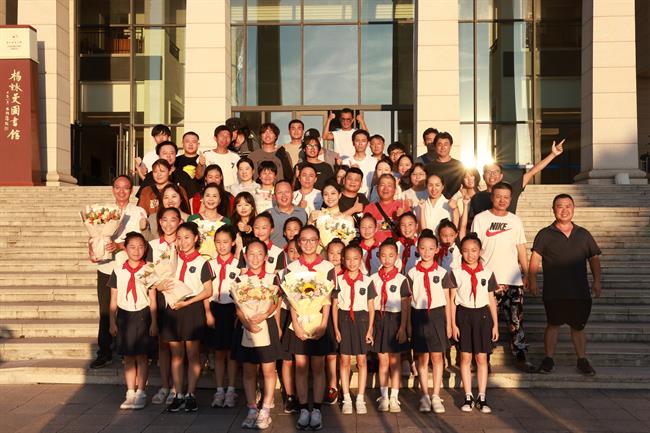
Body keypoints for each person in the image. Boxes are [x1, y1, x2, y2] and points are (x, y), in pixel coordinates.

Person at [528, 194, 602, 376]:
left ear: (574, 208)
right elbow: (535, 258)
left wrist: (597, 281)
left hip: (579, 290)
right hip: (554, 290)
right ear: (553, 210)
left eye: (568, 206)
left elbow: (594, 258)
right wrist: (532, 280)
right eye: (560, 206)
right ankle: (548, 359)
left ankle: (582, 360)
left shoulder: (583, 234)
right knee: (553, 324)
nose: (564, 210)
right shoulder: (545, 234)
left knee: (578, 327)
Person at [471, 182, 533, 371]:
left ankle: (521, 356)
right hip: (488, 282)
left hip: (513, 281)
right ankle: (483, 359)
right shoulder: (481, 219)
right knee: (486, 322)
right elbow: (474, 249)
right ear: (492, 197)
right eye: (498, 196)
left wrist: (527, 273)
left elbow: (521, 248)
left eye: (506, 197)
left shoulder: (515, 221)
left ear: (511, 199)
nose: (502, 200)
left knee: (516, 322)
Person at [90, 175, 147, 369]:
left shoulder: (138, 211)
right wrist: (94, 249)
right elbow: (94, 235)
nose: (121, 191)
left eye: (126, 188)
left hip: (129, 268)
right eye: (117, 187)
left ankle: (127, 349)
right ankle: (104, 351)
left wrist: (119, 245)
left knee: (129, 308)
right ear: (113, 189)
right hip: (106, 267)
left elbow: (141, 238)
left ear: (131, 190)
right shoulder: (103, 212)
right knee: (106, 311)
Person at [284, 225, 337, 430]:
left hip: (319, 321)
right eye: (304, 240)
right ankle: (303, 408)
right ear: (298, 243)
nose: (308, 244)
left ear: (318, 242)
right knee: (300, 366)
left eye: (312, 239)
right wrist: (296, 325)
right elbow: (291, 300)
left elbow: (328, 299)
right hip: (298, 323)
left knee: (317, 366)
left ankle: (317, 410)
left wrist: (324, 325)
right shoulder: (292, 268)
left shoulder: (327, 267)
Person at [159, 222, 214, 412]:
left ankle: (191, 393)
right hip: (172, 308)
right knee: (176, 355)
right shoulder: (170, 259)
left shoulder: (202, 262)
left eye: (187, 237)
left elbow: (208, 291)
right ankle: (178, 394)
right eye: (179, 238)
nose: (182, 242)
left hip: (191, 309)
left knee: (192, 354)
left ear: (196, 238)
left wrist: (187, 302)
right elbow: (158, 280)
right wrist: (161, 286)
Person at [448, 233, 499, 414]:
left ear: (480, 251)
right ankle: (468, 396)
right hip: (464, 315)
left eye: (474, 250)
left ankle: (482, 396)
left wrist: (495, 324)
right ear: (461, 252)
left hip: (483, 316)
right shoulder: (456, 273)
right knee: (465, 357)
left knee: (482, 358)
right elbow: (452, 300)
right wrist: (453, 324)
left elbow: (491, 299)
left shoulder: (487, 273)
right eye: (466, 251)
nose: (470, 254)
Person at [233, 239, 281, 430]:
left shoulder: (272, 278)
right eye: (251, 254)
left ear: (266, 257)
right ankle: (252, 408)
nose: (255, 258)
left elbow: (276, 301)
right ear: (245, 256)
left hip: (266, 324)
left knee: (269, 370)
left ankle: (266, 409)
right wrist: (247, 323)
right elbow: (238, 307)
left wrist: (264, 314)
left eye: (259, 254)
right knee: (249, 370)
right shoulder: (240, 280)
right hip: (247, 327)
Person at [109, 232, 157, 410]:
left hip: (143, 314)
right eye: (132, 247)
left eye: (140, 247)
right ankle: (130, 392)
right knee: (128, 356)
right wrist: (112, 321)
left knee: (142, 356)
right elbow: (113, 298)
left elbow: (152, 298)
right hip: (124, 315)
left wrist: (154, 322)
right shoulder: (118, 270)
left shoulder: (149, 269)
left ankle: (141, 392)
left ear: (145, 249)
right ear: (125, 249)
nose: (137, 251)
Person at [468, 139, 565, 226]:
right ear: (483, 176)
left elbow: (532, 171)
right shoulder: (477, 198)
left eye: (495, 172)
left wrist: (553, 154)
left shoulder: (512, 189)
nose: (492, 175)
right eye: (488, 172)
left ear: (501, 176)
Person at [407, 229, 451, 414]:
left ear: (437, 249)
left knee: (437, 356)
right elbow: (409, 300)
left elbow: (448, 299)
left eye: (431, 248)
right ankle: (424, 395)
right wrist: (408, 325)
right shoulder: (412, 272)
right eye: (423, 248)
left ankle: (436, 395)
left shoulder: (442, 272)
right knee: (422, 357)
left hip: (437, 315)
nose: (427, 252)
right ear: (418, 249)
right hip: (418, 315)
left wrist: (449, 324)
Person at [333, 243, 376, 415]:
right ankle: (346, 397)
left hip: (361, 321)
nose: (352, 262)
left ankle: (360, 398)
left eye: (356, 259)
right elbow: (335, 306)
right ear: (343, 260)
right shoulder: (338, 280)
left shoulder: (368, 281)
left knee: (361, 361)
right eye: (348, 259)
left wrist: (370, 329)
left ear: (361, 259)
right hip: (343, 320)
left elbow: (371, 307)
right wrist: (336, 329)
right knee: (344, 361)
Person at [371, 239, 410, 413]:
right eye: (383, 255)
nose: (387, 259)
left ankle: (394, 396)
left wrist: (402, 328)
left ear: (397, 257)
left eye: (391, 255)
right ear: (378, 256)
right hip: (379, 319)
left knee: (395, 361)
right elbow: (371, 304)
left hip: (395, 320)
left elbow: (405, 305)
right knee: (383, 360)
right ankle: (384, 396)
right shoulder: (373, 279)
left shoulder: (402, 279)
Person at [148, 207, 181, 406]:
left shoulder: (183, 242)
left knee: (177, 344)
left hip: (179, 297)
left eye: (173, 220)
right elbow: (147, 272)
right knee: (163, 343)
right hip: (160, 297)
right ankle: (165, 385)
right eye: (165, 220)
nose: (169, 224)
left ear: (179, 222)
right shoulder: (152, 246)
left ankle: (177, 386)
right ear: (159, 222)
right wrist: (156, 285)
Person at [205, 225, 240, 408]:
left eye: (225, 242)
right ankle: (219, 390)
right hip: (215, 308)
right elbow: (206, 290)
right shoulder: (210, 264)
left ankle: (231, 390)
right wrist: (207, 312)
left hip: (233, 310)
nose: (222, 245)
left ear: (233, 243)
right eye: (218, 242)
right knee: (218, 352)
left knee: (231, 353)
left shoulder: (239, 265)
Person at [324, 239, 344, 404]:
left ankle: (344, 386)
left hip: (345, 317)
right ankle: (332, 386)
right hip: (328, 316)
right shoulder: (324, 273)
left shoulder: (349, 272)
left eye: (339, 253)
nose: (335, 256)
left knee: (344, 355)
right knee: (331, 354)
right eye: (331, 253)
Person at [363, 174, 410, 243]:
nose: (385, 189)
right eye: (382, 185)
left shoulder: (403, 206)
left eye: (389, 185)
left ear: (395, 189)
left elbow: (410, 230)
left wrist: (402, 217)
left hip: (398, 247)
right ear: (377, 188)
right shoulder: (369, 208)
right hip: (375, 247)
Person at [423, 132, 469, 199]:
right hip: (435, 202)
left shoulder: (459, 166)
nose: (442, 147)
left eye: (446, 144)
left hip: (455, 202)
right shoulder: (428, 167)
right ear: (435, 146)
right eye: (439, 144)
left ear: (450, 146)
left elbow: (465, 186)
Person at [198, 125, 241, 190]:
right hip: (213, 192)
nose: (225, 138)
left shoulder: (236, 157)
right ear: (215, 138)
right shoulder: (206, 155)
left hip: (232, 193)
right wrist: (200, 164)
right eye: (222, 136)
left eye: (228, 136)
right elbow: (198, 176)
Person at [268, 180, 308, 248]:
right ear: (274, 196)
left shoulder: (302, 213)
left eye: (287, 192)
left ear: (292, 194)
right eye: (280, 192)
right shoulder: (268, 214)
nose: (284, 195)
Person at [342, 130, 375, 194]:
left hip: (369, 197)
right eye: (357, 140)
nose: (360, 143)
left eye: (363, 141)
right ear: (353, 143)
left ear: (368, 143)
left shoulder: (374, 161)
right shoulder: (345, 162)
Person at [174, 131, 202, 197]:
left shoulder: (202, 160)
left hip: (198, 197)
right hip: (179, 196)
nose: (190, 144)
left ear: (198, 144)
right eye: (187, 141)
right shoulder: (175, 160)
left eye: (194, 142)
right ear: (182, 144)